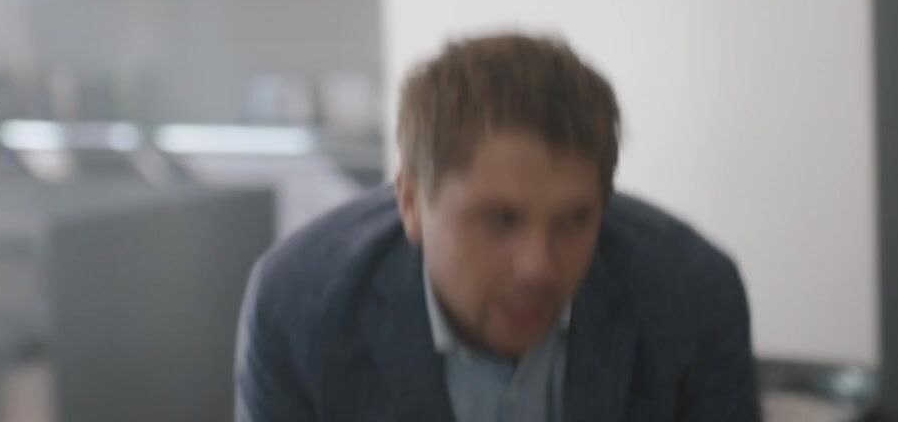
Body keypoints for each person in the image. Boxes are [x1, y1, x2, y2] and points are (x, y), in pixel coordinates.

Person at [234, 32, 760, 421]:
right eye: (500, 221)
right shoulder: (300, 308)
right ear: (412, 203)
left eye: (575, 220)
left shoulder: (692, 294)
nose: (538, 266)